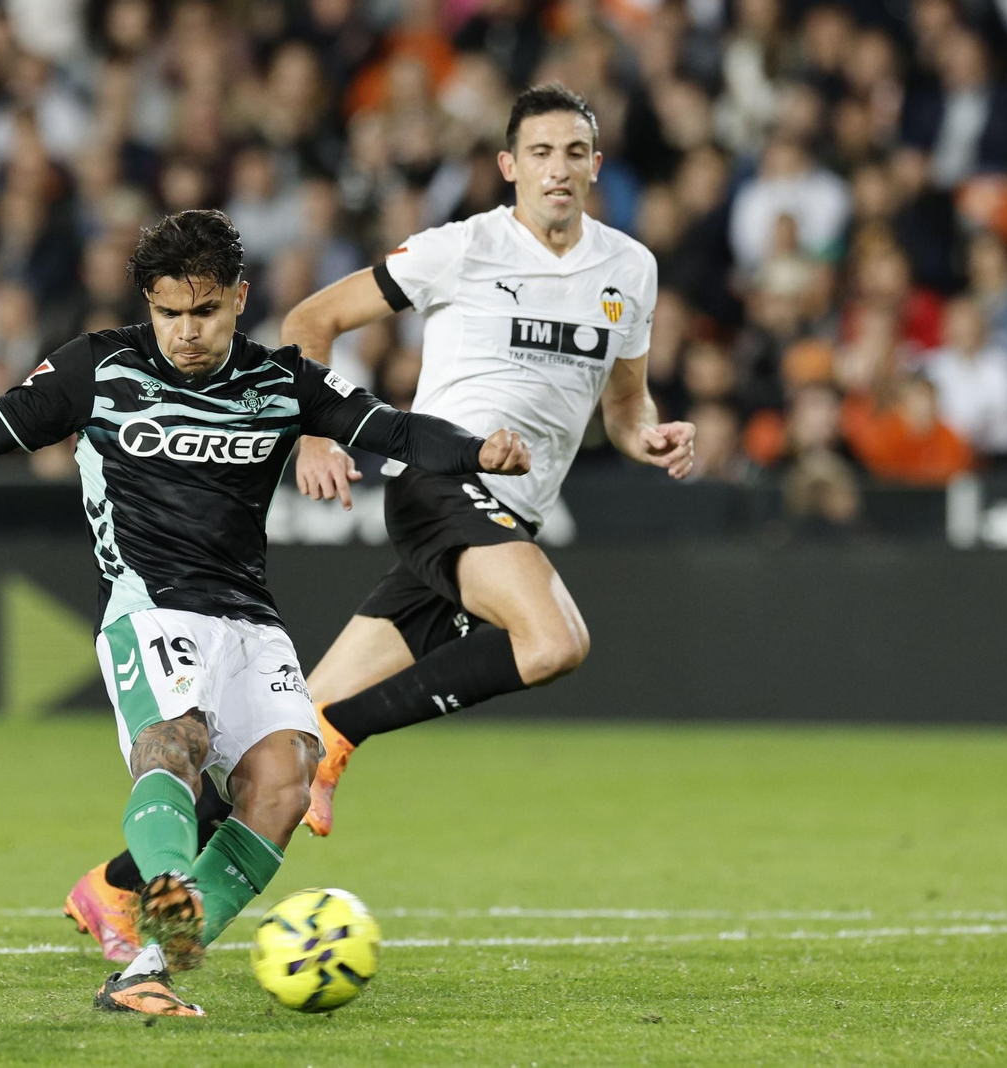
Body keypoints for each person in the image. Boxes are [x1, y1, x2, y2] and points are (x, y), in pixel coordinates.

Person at [0, 209, 531, 1017]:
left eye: (204, 312)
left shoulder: (282, 382)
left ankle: (146, 967)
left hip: (250, 620)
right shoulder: (97, 369)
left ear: (240, 299)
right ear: (147, 302)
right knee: (175, 742)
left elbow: (392, 429)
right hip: (148, 607)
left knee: (283, 784)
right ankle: (168, 882)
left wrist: (476, 451)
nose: (186, 332)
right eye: (170, 312)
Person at [65, 84, 691, 960]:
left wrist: (649, 436)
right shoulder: (461, 248)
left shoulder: (630, 268)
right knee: (553, 641)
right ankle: (344, 737)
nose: (558, 169)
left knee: (281, 744)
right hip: (444, 492)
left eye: (575, 152)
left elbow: (624, 407)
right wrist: (317, 437)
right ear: (509, 166)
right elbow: (311, 320)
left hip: (512, 517)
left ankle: (115, 886)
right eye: (540, 153)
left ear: (596, 164)